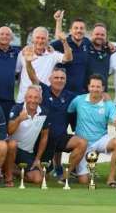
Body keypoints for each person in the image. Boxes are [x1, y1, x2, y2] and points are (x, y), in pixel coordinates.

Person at [22, 50, 88, 182]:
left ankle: (65, 176)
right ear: (50, 79)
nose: (59, 80)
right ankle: (20, 170)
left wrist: (104, 97)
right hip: (42, 140)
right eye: (56, 78)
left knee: (82, 143)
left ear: (66, 80)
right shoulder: (43, 91)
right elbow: (33, 76)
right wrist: (28, 62)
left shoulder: (71, 97)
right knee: (40, 178)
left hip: (61, 138)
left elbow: (89, 99)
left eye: (62, 78)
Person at [67, 74, 116, 187]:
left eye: (98, 87)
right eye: (92, 86)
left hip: (100, 140)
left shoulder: (108, 104)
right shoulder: (79, 100)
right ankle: (75, 172)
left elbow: (115, 119)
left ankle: (111, 179)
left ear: (103, 88)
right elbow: (69, 112)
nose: (95, 89)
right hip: (82, 143)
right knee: (84, 181)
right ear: (88, 87)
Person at [5, 85, 51, 187]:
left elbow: (44, 137)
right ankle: (8, 177)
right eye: (30, 97)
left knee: (38, 178)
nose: (33, 100)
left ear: (40, 99)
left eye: (36, 98)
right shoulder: (17, 109)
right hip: (12, 148)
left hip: (27, 152)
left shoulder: (44, 112)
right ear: (25, 98)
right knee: (12, 144)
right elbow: (9, 131)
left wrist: (37, 159)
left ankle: (15, 172)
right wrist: (19, 119)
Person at [15, 26, 71, 104]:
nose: (40, 41)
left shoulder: (52, 54)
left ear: (47, 40)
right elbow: (17, 71)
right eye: (37, 38)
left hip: (43, 100)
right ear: (33, 39)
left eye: (43, 38)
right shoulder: (23, 53)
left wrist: (64, 41)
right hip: (23, 99)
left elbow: (68, 58)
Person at [52, 10, 92, 96]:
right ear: (70, 30)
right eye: (76, 28)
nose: (79, 30)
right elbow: (56, 40)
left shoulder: (87, 42)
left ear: (85, 30)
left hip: (81, 93)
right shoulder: (64, 42)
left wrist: (109, 45)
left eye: (81, 28)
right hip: (63, 92)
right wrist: (58, 21)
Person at [85, 23, 115, 92]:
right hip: (85, 94)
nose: (99, 37)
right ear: (91, 35)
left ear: (106, 37)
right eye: (97, 34)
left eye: (102, 35)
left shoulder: (109, 51)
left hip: (103, 94)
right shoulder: (85, 48)